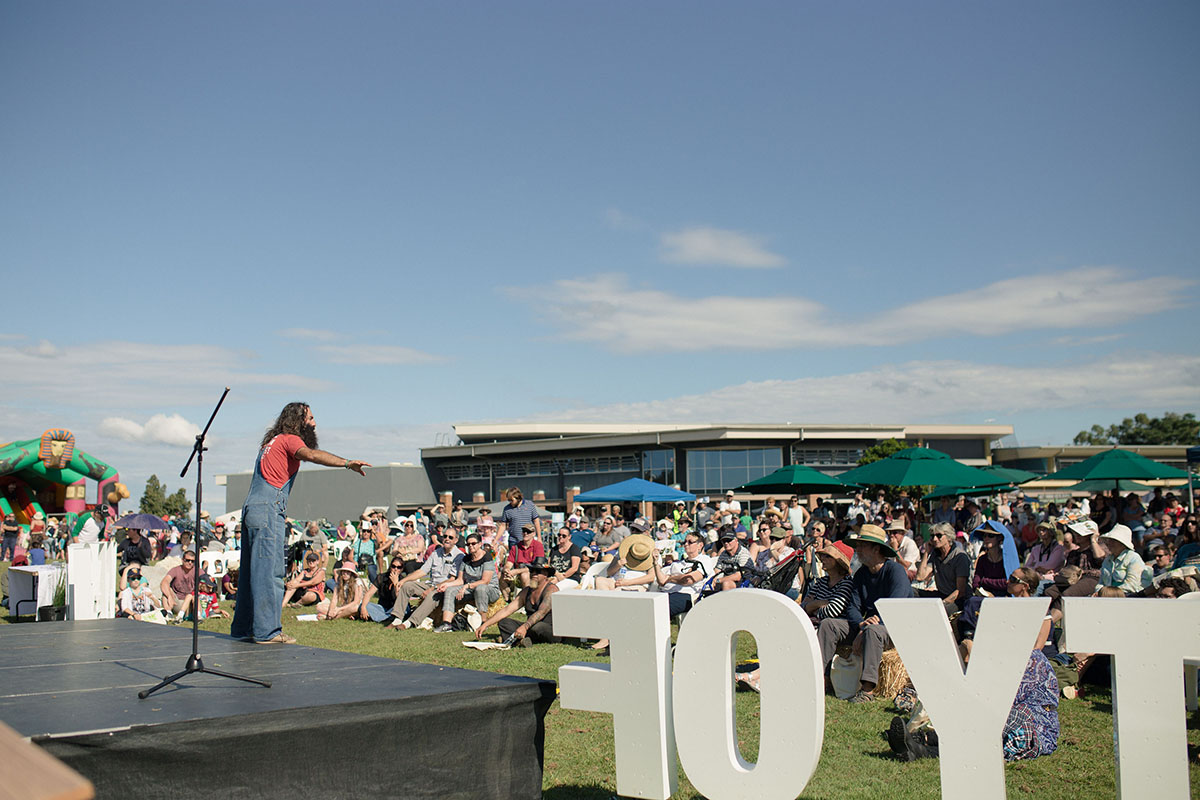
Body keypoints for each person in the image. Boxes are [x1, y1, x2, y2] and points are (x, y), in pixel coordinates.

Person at [229, 402, 369, 645]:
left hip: (252, 507)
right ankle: (267, 632)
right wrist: (347, 463)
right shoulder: (289, 439)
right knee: (270, 573)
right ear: (297, 420)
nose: (314, 423)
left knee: (251, 573)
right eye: (311, 418)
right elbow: (312, 455)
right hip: (268, 509)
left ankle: (243, 628)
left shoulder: (269, 443)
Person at [816, 524, 912, 703]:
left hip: (894, 628)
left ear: (876, 549)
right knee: (829, 624)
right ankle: (823, 678)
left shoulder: (895, 571)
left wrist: (869, 626)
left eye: (861, 546)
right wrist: (861, 624)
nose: (857, 550)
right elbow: (852, 607)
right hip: (868, 624)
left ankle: (867, 690)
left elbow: (895, 608)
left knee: (873, 631)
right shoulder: (861, 574)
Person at [474, 556, 560, 646]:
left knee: (537, 626)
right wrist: (486, 624)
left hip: (550, 630)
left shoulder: (551, 589)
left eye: (538, 571)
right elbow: (507, 610)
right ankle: (522, 640)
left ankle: (516, 639)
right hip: (531, 627)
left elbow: (541, 612)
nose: (534, 574)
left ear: (546, 574)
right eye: (532, 571)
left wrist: (524, 627)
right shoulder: (527, 591)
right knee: (504, 622)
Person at [392, 526, 464, 630]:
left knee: (432, 595)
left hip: (445, 588)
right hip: (431, 583)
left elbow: (452, 579)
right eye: (445, 536)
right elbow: (422, 571)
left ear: (456, 540)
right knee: (407, 586)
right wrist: (403, 580)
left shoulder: (459, 556)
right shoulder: (436, 553)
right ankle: (397, 618)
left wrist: (432, 588)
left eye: (450, 537)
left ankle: (410, 622)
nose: (447, 539)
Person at [437, 532, 501, 630]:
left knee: (480, 588)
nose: (470, 546)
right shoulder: (465, 559)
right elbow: (460, 580)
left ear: (480, 544)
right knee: (450, 591)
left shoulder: (487, 558)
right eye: (468, 544)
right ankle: (447, 623)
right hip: (471, 589)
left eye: (473, 543)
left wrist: (467, 586)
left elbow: (485, 581)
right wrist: (447, 585)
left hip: (489, 590)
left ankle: (483, 622)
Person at [649, 532, 716, 619]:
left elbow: (688, 580)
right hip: (668, 593)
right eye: (685, 542)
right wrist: (656, 562)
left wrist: (670, 578)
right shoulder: (677, 564)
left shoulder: (704, 560)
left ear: (700, 545)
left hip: (688, 595)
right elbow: (662, 581)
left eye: (690, 542)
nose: (686, 544)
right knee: (649, 605)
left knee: (657, 610)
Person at [914, 522, 971, 612]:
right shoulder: (936, 554)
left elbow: (960, 591)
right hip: (941, 594)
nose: (934, 539)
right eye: (932, 536)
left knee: (940, 611)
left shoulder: (960, 557)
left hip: (958, 600)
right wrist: (926, 552)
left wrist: (941, 603)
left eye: (939, 535)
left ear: (949, 537)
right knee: (912, 592)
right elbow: (920, 577)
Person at [1092, 524, 1149, 595]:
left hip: (1128, 596)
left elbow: (1133, 585)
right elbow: (1101, 582)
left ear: (1122, 543)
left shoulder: (1133, 557)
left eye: (1113, 541)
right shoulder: (1108, 559)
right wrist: (1098, 591)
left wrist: (1109, 592)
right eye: (1109, 540)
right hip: (1107, 595)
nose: (1109, 543)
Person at [161, 551, 199, 621]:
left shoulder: (198, 571)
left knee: (193, 596)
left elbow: (207, 581)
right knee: (167, 589)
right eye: (187, 560)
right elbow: (164, 582)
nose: (190, 563)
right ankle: (168, 613)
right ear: (182, 560)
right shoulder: (175, 570)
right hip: (176, 601)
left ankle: (196, 616)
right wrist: (169, 596)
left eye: (192, 561)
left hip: (190, 604)